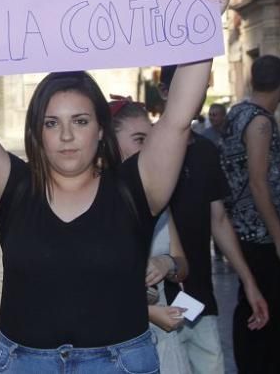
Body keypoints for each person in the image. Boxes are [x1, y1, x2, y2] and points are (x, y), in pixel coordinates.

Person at [0, 0, 229, 373]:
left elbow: (175, 121)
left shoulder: (136, 188)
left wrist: (203, 19)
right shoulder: (12, 187)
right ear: (37, 132)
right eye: (51, 123)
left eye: (79, 121)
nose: (65, 136)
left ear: (100, 129)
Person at [159, 66, 269, 374]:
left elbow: (218, 219)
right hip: (156, 303)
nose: (195, 95)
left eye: (201, 87)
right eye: (185, 87)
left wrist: (248, 281)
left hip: (199, 296)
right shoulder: (145, 149)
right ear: (165, 92)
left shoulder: (207, 150)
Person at [221, 54, 280, 373]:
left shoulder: (237, 113)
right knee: (265, 316)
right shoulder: (260, 122)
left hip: (240, 231)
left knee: (250, 309)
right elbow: (258, 182)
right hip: (259, 235)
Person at [110, 97, 190, 374]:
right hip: (115, 342)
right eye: (139, 139)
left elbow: (182, 267)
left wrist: (166, 263)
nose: (149, 148)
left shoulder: (158, 196)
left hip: (163, 339)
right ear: (109, 140)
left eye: (151, 139)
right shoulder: (94, 199)